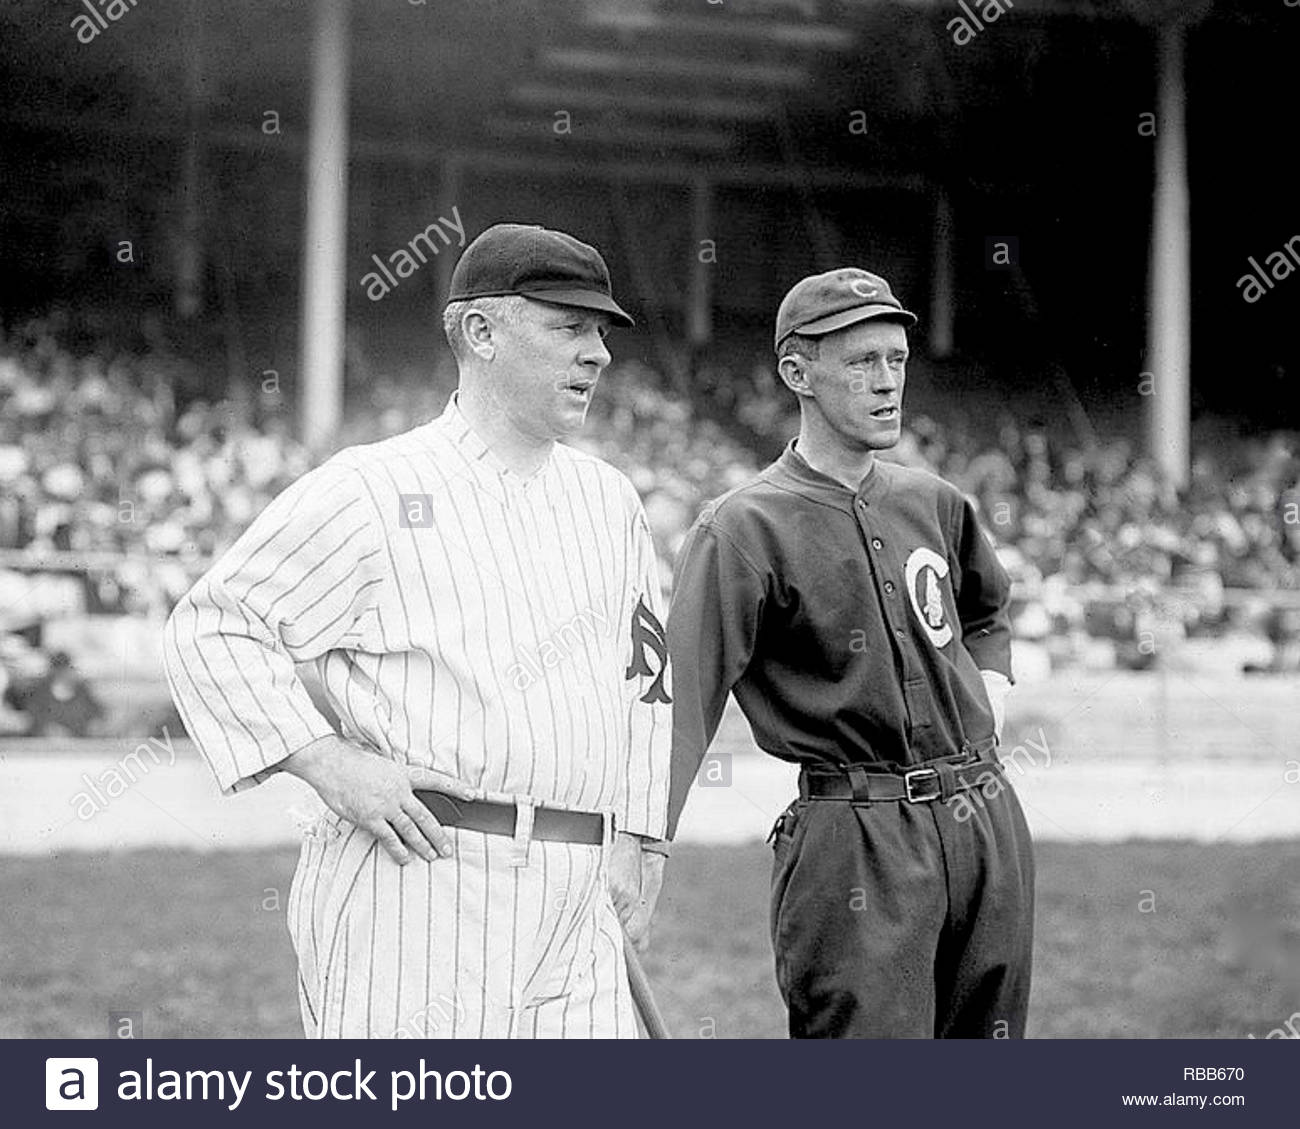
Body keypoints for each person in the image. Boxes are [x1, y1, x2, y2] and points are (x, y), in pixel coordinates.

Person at [164, 223, 671, 1038]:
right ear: (480, 332)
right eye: (569, 327)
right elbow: (215, 625)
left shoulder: (610, 501)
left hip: (578, 897)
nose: (598, 354)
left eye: (602, 332)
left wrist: (642, 841)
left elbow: (648, 680)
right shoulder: (372, 486)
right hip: (421, 879)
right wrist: (328, 765)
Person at [665, 267, 1034, 1038]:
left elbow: (988, 611)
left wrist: (987, 695)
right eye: (863, 361)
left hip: (984, 816)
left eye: (897, 360)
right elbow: (680, 704)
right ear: (797, 371)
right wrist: (641, 847)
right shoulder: (742, 526)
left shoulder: (932, 500)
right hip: (856, 830)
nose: (887, 381)